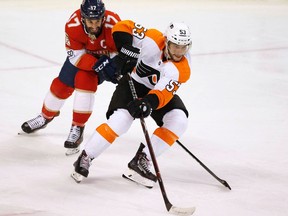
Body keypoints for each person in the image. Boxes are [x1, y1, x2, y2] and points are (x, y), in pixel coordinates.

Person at [71, 20, 192, 187]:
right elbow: (123, 26)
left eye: (183, 47)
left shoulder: (182, 69)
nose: (179, 51)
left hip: (155, 93)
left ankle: (142, 160)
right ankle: (86, 156)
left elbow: (163, 93)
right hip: (132, 84)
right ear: (166, 41)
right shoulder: (152, 38)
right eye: (175, 45)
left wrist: (147, 103)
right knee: (120, 121)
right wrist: (127, 51)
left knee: (179, 120)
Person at [21, 0, 121, 155]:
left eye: (97, 21)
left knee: (84, 80)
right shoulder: (73, 25)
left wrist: (115, 66)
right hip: (87, 59)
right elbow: (76, 56)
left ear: (103, 17)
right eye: (90, 21)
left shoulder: (114, 23)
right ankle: (45, 116)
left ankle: (77, 127)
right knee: (60, 86)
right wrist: (98, 64)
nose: (94, 26)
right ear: (83, 18)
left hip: (106, 60)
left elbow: (120, 50)